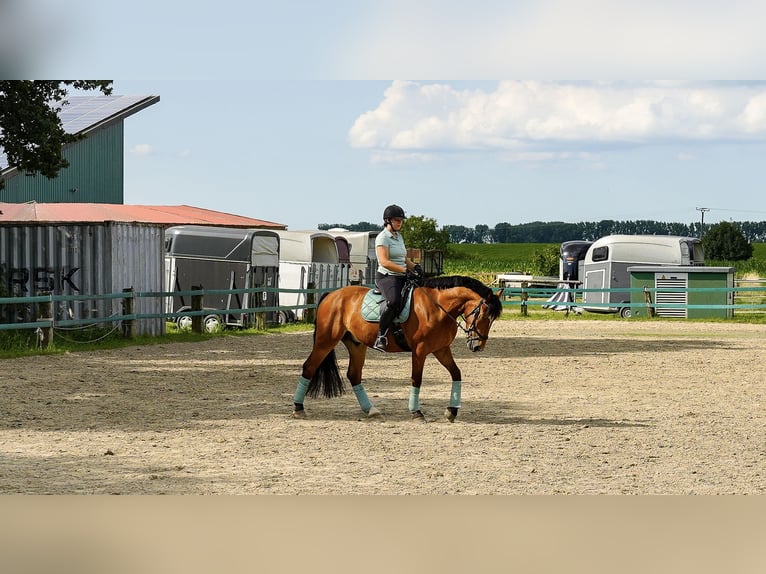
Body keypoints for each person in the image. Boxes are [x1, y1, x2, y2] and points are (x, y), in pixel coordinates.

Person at [373, 204, 423, 352]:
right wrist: (405, 270)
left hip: (402, 275)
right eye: (397, 220)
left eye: (401, 220)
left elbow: (403, 258)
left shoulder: (398, 236)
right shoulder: (382, 238)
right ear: (388, 220)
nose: (400, 222)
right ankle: (381, 336)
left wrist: (414, 266)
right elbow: (385, 261)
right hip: (387, 277)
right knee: (394, 301)